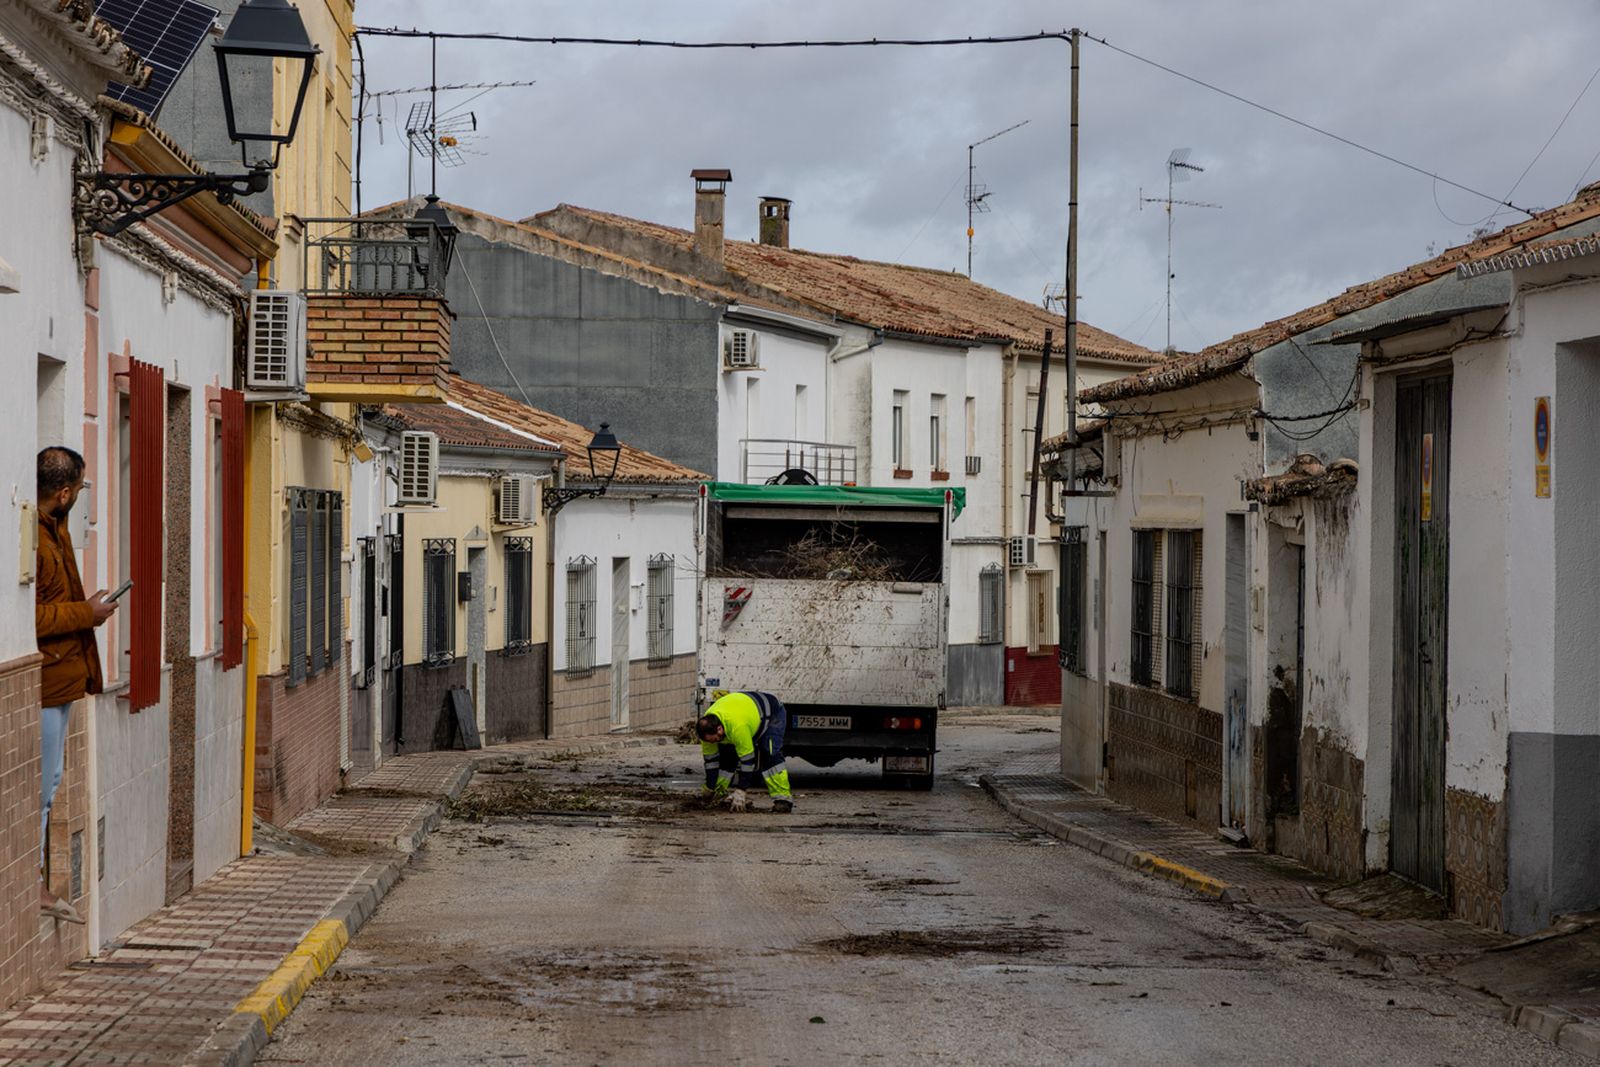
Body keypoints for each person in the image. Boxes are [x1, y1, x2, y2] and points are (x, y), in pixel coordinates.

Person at [35, 447, 116, 925]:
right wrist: (88, 613)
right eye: (79, 490)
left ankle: (37, 879)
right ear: (64, 493)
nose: (79, 497)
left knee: (53, 781)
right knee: (44, 788)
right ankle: (34, 882)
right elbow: (34, 616)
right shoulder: (40, 540)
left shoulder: (53, 530)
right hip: (47, 676)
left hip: (62, 675)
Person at [697, 690, 793, 813]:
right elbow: (711, 762)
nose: (713, 743)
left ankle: (783, 800)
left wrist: (741, 790)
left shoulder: (737, 728)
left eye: (714, 739)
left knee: (769, 752)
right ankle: (718, 793)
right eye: (710, 742)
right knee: (726, 757)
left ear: (719, 729)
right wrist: (709, 789)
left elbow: (748, 762)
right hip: (745, 712)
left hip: (771, 713)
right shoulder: (706, 731)